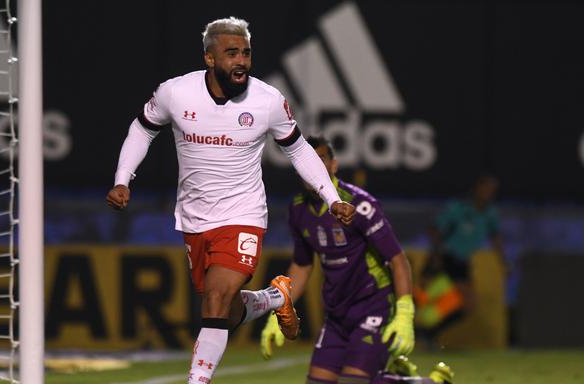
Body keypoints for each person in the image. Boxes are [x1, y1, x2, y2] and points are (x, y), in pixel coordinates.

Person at [105, 17, 355, 384]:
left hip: (243, 214)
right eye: (231, 53)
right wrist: (122, 180)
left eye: (246, 53)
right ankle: (273, 298)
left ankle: (197, 380)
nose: (241, 61)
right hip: (194, 218)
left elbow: (299, 150)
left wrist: (332, 198)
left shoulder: (268, 100)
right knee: (223, 308)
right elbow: (142, 129)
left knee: (217, 299)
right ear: (209, 58)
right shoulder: (176, 93)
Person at [260, 137, 454, 384]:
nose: (314, 167)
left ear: (334, 166)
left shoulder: (359, 204)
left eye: (321, 160)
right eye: (308, 162)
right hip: (337, 311)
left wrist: (405, 312)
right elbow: (302, 263)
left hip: (373, 304)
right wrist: (281, 307)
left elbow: (397, 259)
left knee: (354, 382)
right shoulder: (298, 210)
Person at [417, 175, 504, 334]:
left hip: (462, 261)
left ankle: (429, 333)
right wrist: (436, 255)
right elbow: (435, 229)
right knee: (425, 297)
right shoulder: (459, 208)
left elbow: (496, 236)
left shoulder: (490, 214)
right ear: (476, 188)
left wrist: (503, 262)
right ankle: (415, 330)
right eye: (485, 188)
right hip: (445, 257)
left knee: (467, 305)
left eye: (492, 190)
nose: (488, 193)